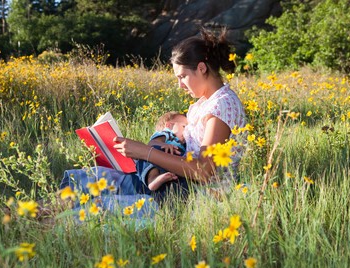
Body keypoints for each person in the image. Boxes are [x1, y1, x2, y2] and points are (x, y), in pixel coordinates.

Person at [60, 27, 246, 214]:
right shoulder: (203, 104)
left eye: (182, 77)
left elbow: (205, 172)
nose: (179, 85)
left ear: (201, 68)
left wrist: (146, 152)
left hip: (192, 194)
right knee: (95, 177)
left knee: (96, 207)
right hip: (174, 180)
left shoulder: (222, 106)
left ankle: (47, 219)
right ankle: (40, 212)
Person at [136, 111, 188, 191]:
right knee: (153, 150)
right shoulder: (166, 134)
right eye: (184, 126)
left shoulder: (184, 143)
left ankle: (167, 181)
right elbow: (152, 143)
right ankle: (152, 179)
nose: (187, 131)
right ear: (168, 125)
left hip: (171, 164)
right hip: (158, 158)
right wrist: (165, 145)